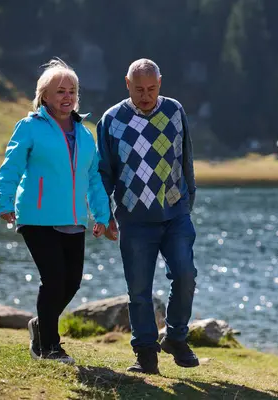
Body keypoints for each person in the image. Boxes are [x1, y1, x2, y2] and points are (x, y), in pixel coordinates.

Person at [0, 59, 109, 364]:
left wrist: (102, 214)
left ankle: (40, 325)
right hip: (37, 216)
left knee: (72, 282)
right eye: (60, 91)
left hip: (73, 218)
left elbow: (93, 178)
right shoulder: (30, 127)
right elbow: (11, 166)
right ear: (44, 95)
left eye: (72, 91)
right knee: (54, 279)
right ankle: (50, 347)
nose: (67, 96)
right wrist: (3, 201)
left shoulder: (86, 133)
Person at [97, 58, 198, 374]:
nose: (146, 95)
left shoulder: (174, 111)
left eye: (151, 88)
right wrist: (104, 215)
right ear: (127, 84)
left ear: (160, 84)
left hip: (175, 214)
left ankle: (176, 338)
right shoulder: (111, 120)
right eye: (139, 89)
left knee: (185, 275)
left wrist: (187, 200)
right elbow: (104, 173)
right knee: (139, 291)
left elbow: (187, 160)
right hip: (134, 219)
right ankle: (145, 355)